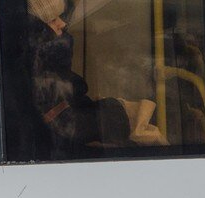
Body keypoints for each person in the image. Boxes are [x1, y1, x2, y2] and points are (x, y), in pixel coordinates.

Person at [22, 0, 131, 159]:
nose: (62, 23)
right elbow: (66, 126)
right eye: (52, 20)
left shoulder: (46, 63)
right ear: (37, 29)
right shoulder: (42, 64)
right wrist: (114, 114)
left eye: (60, 16)